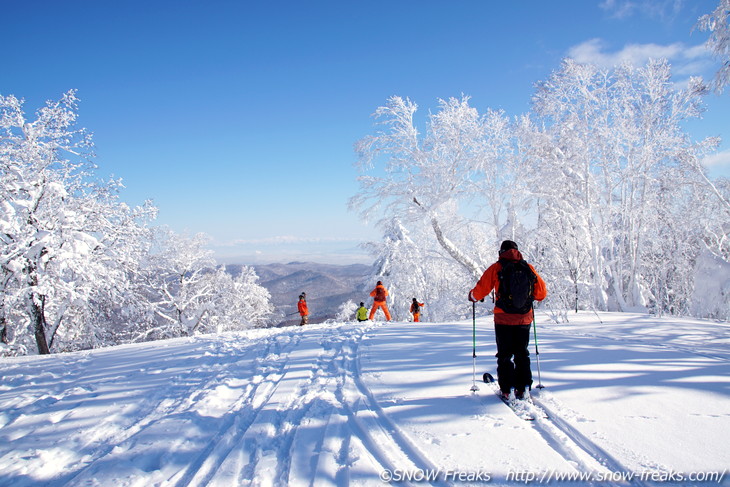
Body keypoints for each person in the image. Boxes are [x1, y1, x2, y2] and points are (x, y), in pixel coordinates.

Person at [469, 240, 547, 400]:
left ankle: (507, 389)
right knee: (522, 353)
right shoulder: (528, 268)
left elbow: (481, 289)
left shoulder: (497, 267)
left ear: (501, 252)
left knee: (505, 354)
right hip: (524, 318)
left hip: (503, 318)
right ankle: (523, 386)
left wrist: (472, 296)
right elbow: (541, 294)